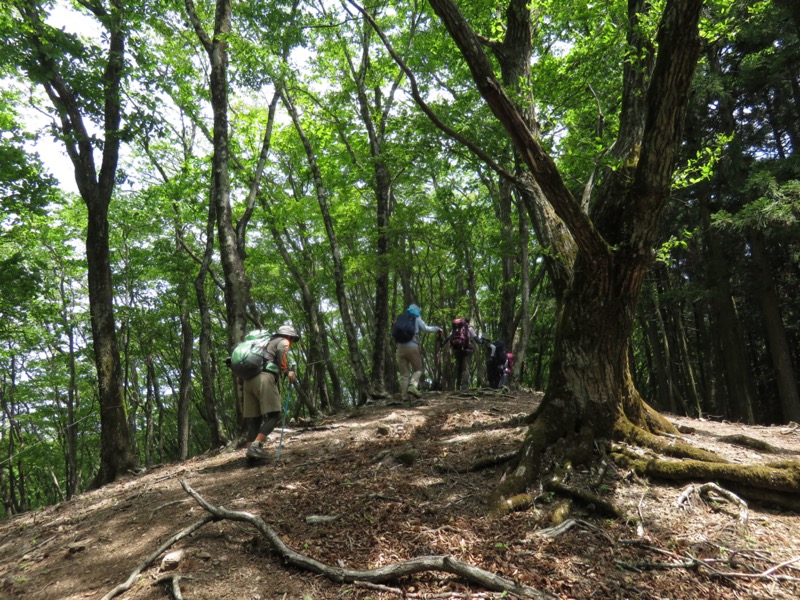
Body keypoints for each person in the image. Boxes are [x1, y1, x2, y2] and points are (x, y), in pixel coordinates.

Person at [243, 324, 299, 461]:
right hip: (264, 378)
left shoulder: (262, 344)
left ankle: (251, 455)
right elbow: (282, 352)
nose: (290, 342)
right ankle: (256, 446)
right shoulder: (283, 341)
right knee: (275, 415)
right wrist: (286, 371)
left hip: (248, 381)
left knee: (256, 419)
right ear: (289, 336)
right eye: (292, 339)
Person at [393, 304, 442, 404]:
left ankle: (404, 398)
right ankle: (412, 386)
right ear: (417, 311)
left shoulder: (400, 318)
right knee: (418, 369)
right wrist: (437, 329)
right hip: (412, 346)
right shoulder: (416, 318)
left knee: (404, 375)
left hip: (400, 348)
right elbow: (426, 328)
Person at [444, 318, 478, 390]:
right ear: (467, 323)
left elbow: (448, 338)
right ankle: (464, 387)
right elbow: (477, 340)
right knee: (465, 369)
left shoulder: (455, 329)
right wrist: (482, 341)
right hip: (467, 350)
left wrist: (442, 343)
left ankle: (458, 386)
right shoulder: (469, 329)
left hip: (457, 351)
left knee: (459, 368)